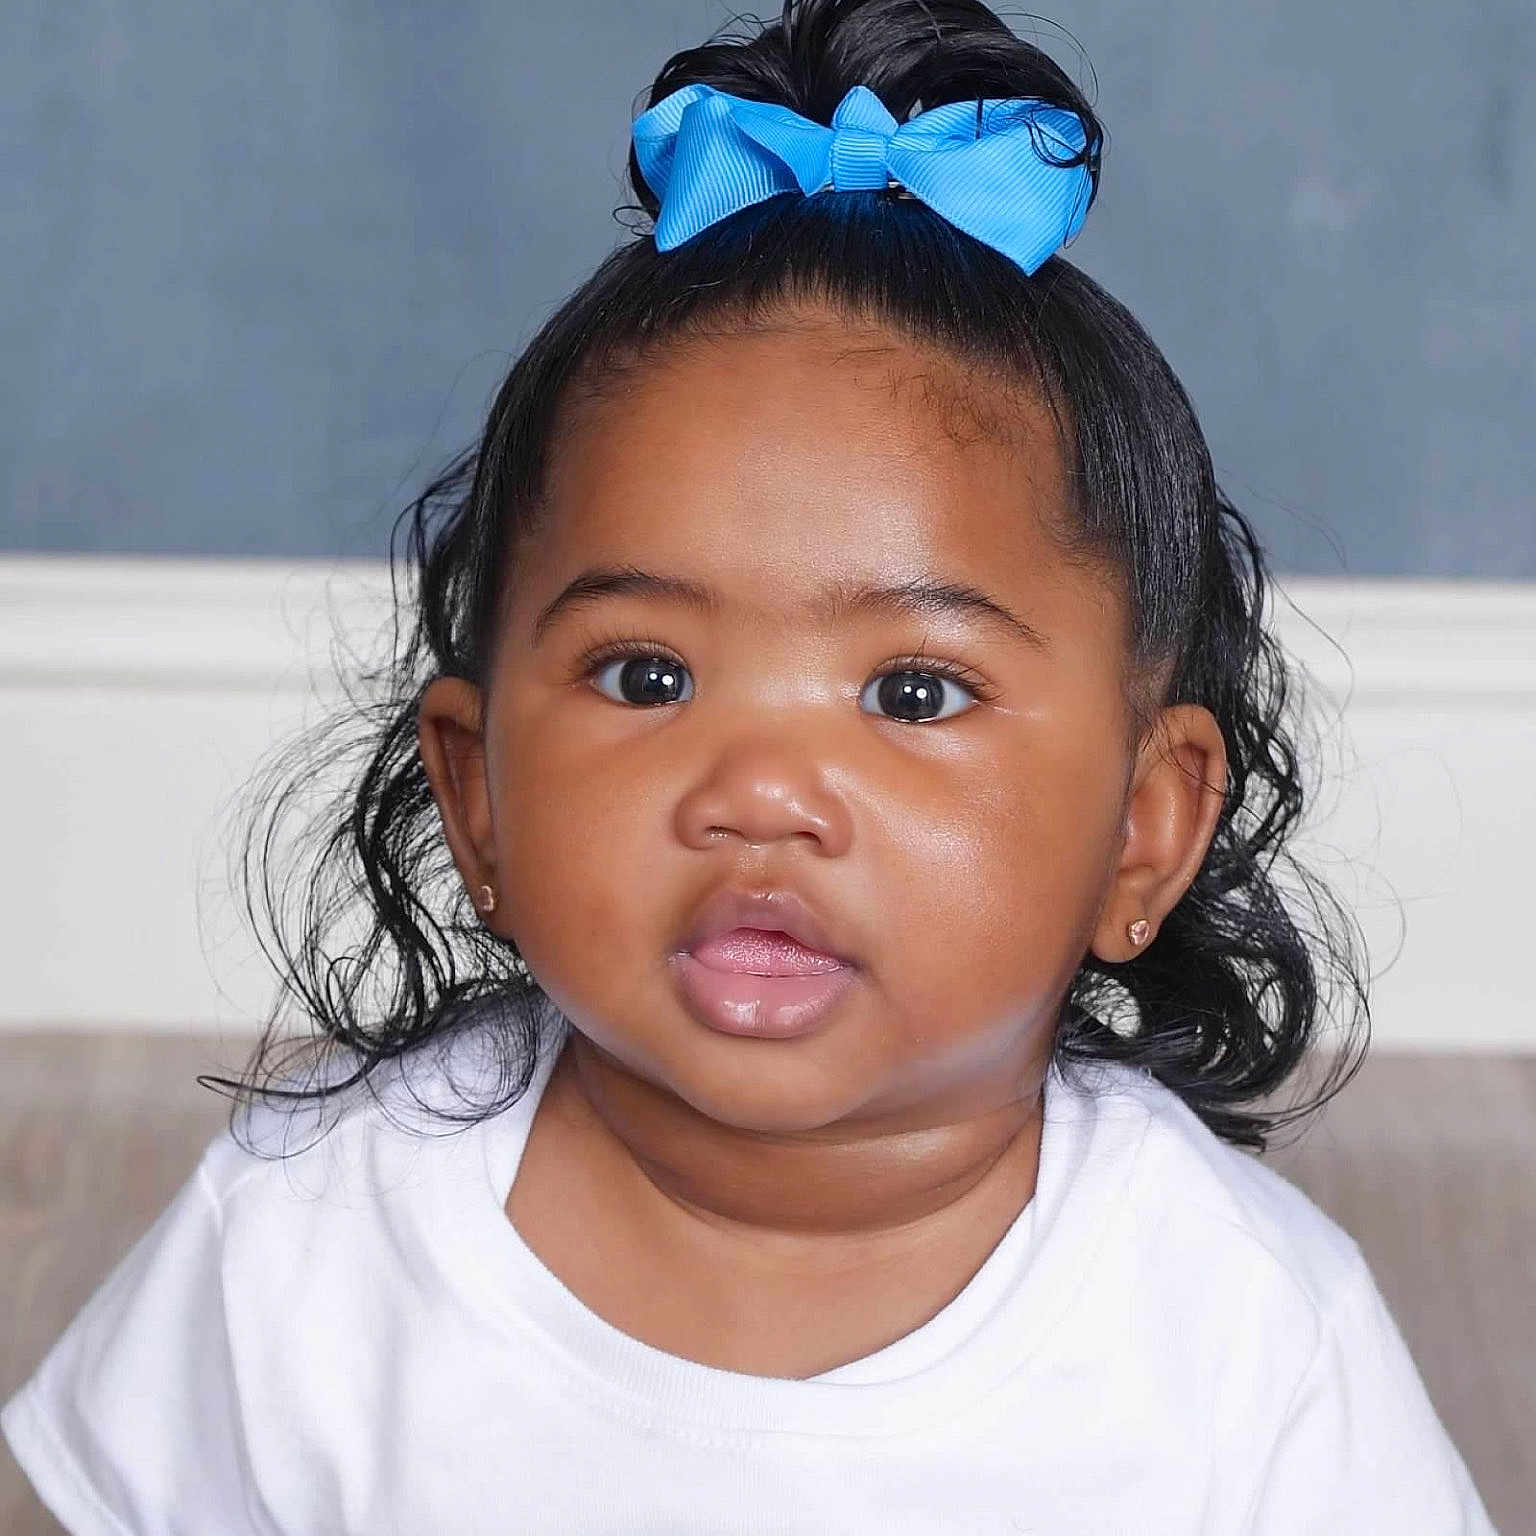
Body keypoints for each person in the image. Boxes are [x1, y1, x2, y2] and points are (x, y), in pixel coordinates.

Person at [2, 0, 1500, 1530]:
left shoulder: (1242, 1339)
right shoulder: (312, 1238)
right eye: (647, 676)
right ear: (475, 796)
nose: (760, 791)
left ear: (1144, 827)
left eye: (914, 691)